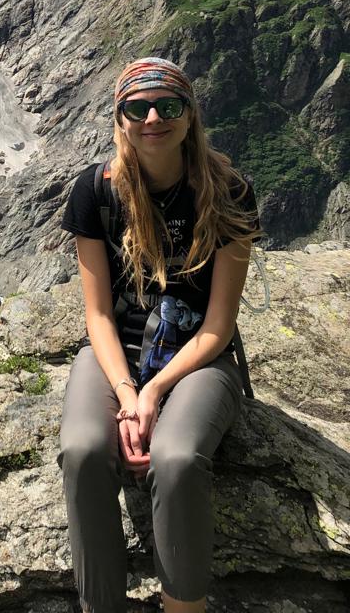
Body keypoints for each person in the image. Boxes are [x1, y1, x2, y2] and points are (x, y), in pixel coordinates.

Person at [57, 57, 260, 613]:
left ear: (190, 115)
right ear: (120, 119)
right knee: (82, 450)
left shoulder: (229, 193)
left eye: (168, 105)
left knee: (177, 458)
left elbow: (219, 324)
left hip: (199, 359)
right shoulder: (95, 192)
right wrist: (128, 394)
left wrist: (153, 392)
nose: (153, 118)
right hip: (115, 355)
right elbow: (99, 315)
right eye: (137, 107)